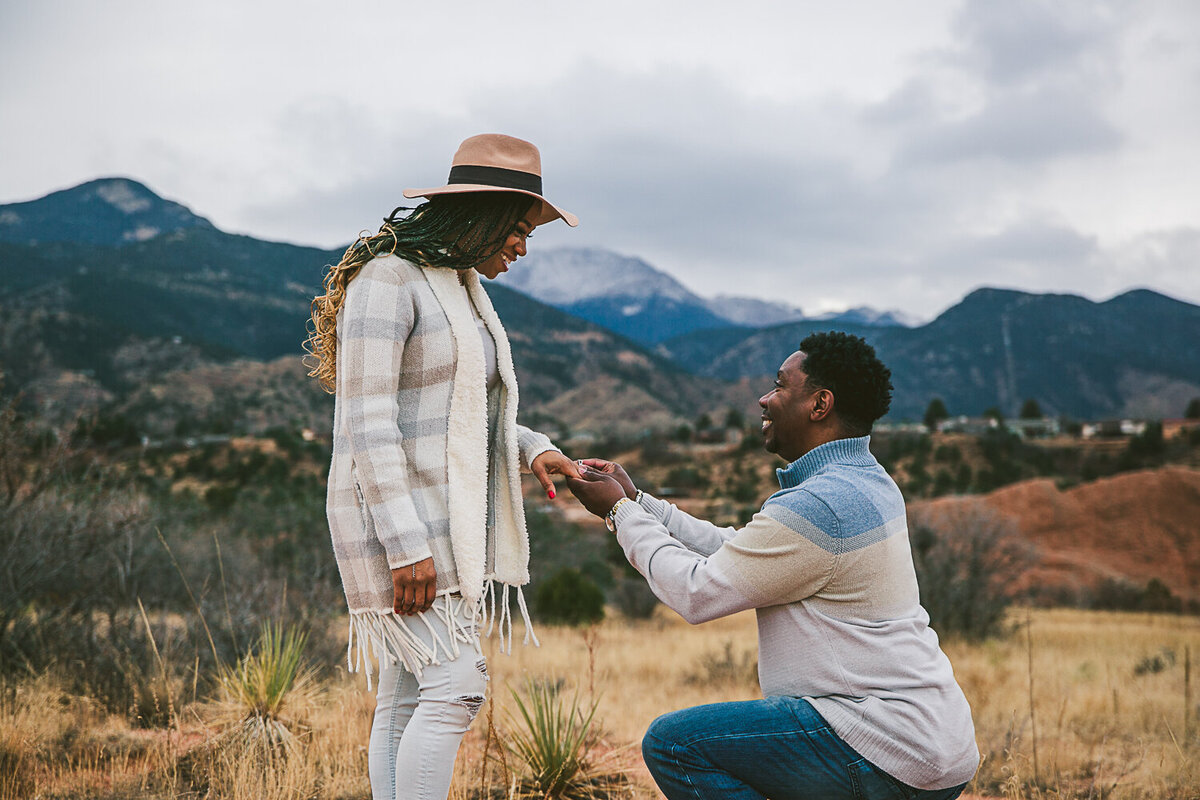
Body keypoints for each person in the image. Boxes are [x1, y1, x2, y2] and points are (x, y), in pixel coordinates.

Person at [566, 331, 979, 800]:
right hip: (933, 741)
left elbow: (696, 591)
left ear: (819, 404)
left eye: (780, 386)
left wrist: (618, 514)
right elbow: (741, 550)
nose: (764, 399)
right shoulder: (866, 481)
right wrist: (640, 502)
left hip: (883, 744)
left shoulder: (822, 503)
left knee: (675, 744)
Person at [305, 133, 583, 800]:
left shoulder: (458, 286)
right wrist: (404, 548)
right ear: (480, 216)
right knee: (456, 689)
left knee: (407, 697)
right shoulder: (388, 280)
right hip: (399, 524)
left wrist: (533, 447)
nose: (522, 247)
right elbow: (367, 423)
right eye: (517, 230)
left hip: (446, 524)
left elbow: (463, 413)